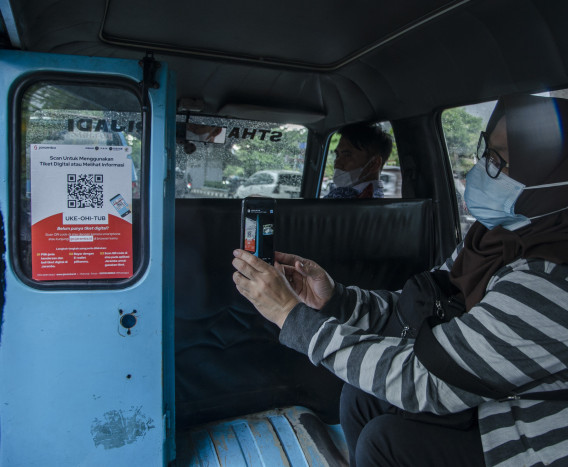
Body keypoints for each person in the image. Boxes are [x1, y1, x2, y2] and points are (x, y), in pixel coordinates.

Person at [232, 94, 568, 466]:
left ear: (552, 180)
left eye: (501, 161)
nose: (482, 168)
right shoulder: (490, 241)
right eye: (486, 152)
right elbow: (421, 307)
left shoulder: (550, 283)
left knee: (386, 442)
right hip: (485, 394)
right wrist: (336, 301)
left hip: (529, 433)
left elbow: (425, 382)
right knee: (359, 397)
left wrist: (291, 317)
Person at [325, 123, 393, 199]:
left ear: (374, 163)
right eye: (337, 155)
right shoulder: (376, 198)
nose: (337, 164)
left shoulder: (343, 198)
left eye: (347, 155)